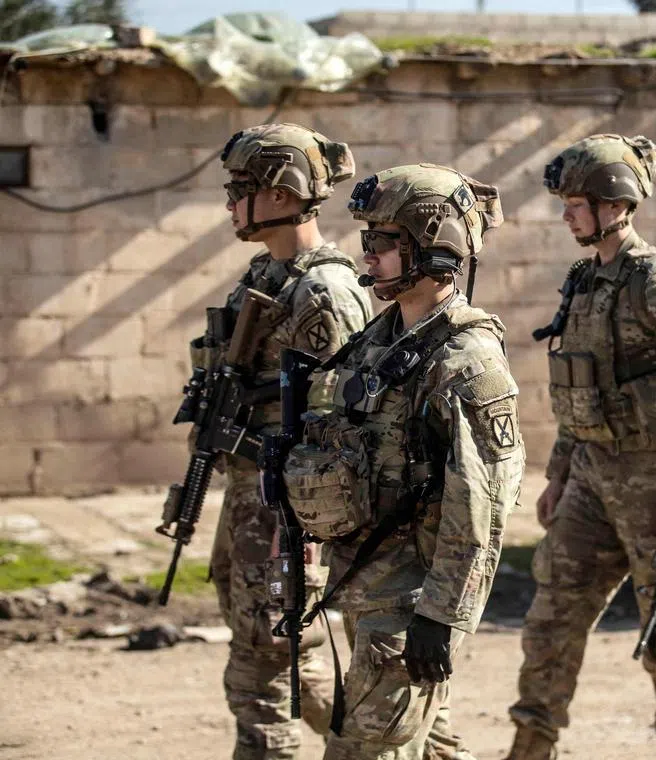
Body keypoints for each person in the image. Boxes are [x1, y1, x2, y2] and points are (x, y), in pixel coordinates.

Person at [280, 163, 524, 760]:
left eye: (384, 243)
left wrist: (442, 616)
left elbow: (482, 507)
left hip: (409, 604)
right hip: (364, 581)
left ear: (433, 247)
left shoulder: (465, 360)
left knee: (366, 751)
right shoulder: (378, 339)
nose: (368, 256)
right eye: (367, 241)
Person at [506, 134, 656, 760]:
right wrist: (556, 476)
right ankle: (530, 749)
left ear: (615, 203)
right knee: (551, 619)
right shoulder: (584, 281)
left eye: (577, 202)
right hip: (589, 477)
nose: (566, 214)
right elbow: (577, 389)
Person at [198, 122, 372, 759]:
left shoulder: (322, 292)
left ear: (280, 194)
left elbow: (336, 429)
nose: (228, 201)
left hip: (287, 509)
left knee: (262, 672)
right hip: (250, 494)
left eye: (239, 187)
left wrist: (300, 530)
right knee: (276, 652)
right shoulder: (264, 275)